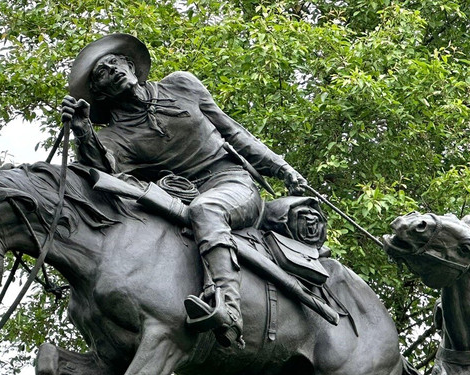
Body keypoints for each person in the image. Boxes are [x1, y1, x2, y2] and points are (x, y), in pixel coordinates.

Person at [61, 33, 308, 347]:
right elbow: (101, 170)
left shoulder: (182, 85)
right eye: (104, 73)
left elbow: (233, 132)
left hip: (230, 182)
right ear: (100, 93)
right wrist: (82, 132)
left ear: (133, 66)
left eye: (117, 63)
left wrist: (282, 168)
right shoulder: (114, 136)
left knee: (207, 209)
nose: (114, 70)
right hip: (179, 199)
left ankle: (229, 307)